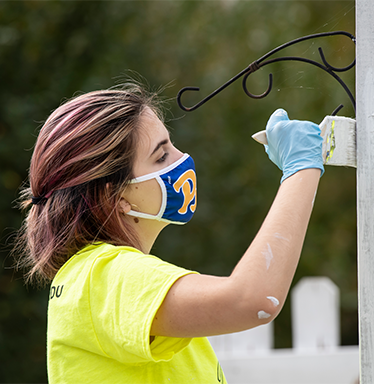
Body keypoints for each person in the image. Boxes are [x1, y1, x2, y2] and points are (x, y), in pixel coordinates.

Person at [14, 82, 324, 384]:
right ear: (116, 197)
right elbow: (253, 300)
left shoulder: (91, 276)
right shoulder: (105, 274)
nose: (182, 158)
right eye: (161, 156)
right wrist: (301, 169)